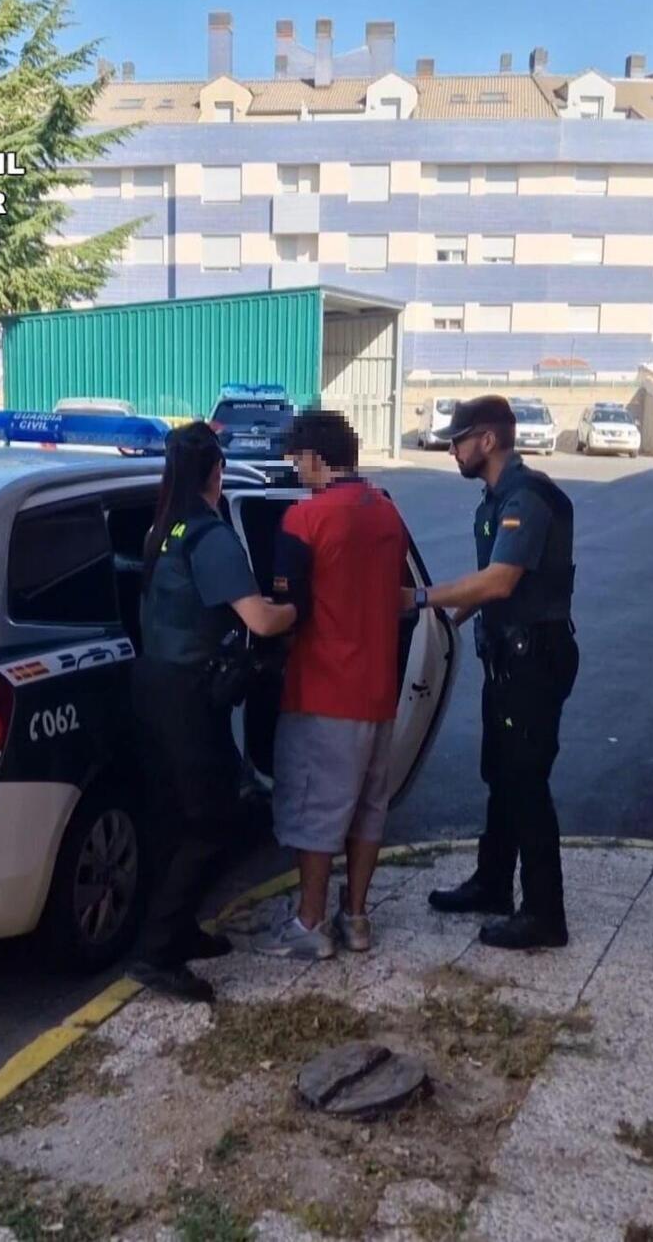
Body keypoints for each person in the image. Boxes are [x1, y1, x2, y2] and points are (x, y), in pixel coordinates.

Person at [400, 396, 578, 951]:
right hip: (507, 658)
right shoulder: (495, 500)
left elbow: (499, 582)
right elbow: (486, 588)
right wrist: (445, 624)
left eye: (458, 439)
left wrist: (418, 598)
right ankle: (494, 883)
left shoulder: (526, 497)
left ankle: (545, 915)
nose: (451, 448)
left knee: (526, 781)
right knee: (500, 773)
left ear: (488, 440)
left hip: (534, 661)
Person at [129, 421, 297, 1003]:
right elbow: (261, 621)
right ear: (215, 473)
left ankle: (176, 933)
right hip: (186, 696)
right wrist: (300, 606)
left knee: (171, 818)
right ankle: (155, 955)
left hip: (151, 685)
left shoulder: (164, 528)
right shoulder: (211, 535)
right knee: (212, 821)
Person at [255, 410, 410, 961]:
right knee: (369, 809)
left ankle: (309, 924)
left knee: (316, 812)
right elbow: (404, 596)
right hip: (378, 693)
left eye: (297, 459)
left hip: (322, 691)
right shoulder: (387, 512)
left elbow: (286, 608)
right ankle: (357, 918)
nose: (295, 469)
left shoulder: (306, 518)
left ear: (316, 458)